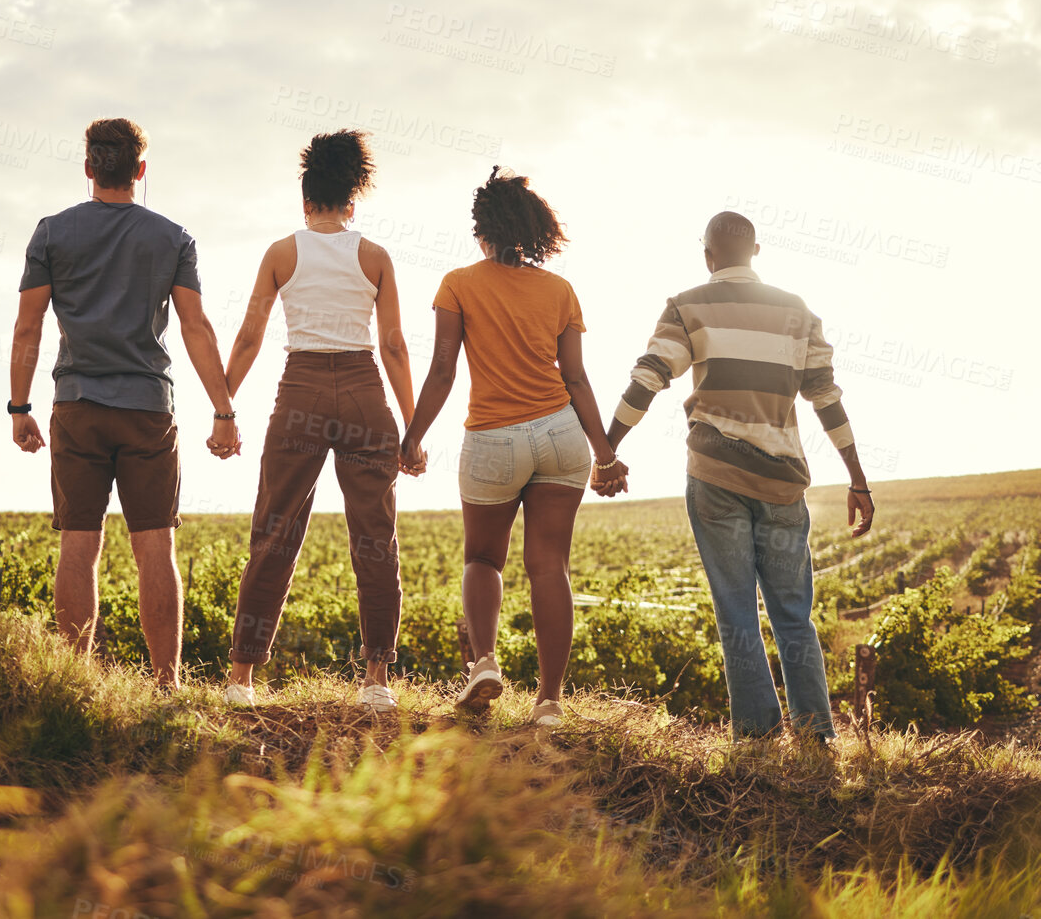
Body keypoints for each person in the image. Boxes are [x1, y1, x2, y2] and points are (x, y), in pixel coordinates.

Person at [603, 210, 875, 742]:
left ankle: (757, 737)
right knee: (794, 613)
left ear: (708, 256)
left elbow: (649, 377)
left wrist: (608, 448)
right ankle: (817, 733)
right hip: (783, 483)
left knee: (736, 613)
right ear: (756, 252)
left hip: (716, 477)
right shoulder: (798, 312)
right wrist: (857, 479)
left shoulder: (687, 306)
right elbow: (827, 400)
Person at [9, 117, 240, 691]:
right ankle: (167, 686)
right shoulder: (172, 237)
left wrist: (19, 407)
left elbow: (27, 327)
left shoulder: (51, 233)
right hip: (147, 411)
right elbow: (196, 328)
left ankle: (70, 683)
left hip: (77, 406)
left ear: (89, 167)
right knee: (155, 547)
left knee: (78, 544)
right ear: (140, 171)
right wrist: (224, 412)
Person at [399, 167, 626, 726]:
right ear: (533, 230)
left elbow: (444, 372)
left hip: (493, 439)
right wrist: (605, 454)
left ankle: (483, 662)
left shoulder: (458, 283)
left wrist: (413, 435)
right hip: (560, 433)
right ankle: (549, 701)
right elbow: (576, 378)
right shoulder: (559, 290)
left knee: (482, 557)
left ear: (483, 230)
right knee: (549, 565)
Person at [221, 130, 417, 710]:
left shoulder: (282, 252)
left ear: (306, 202)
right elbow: (396, 347)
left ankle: (241, 680)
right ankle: (377, 681)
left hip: (300, 391)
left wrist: (223, 407)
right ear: (351, 203)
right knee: (375, 540)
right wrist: (413, 428)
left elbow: (251, 335)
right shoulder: (375, 256)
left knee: (274, 532)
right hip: (363, 393)